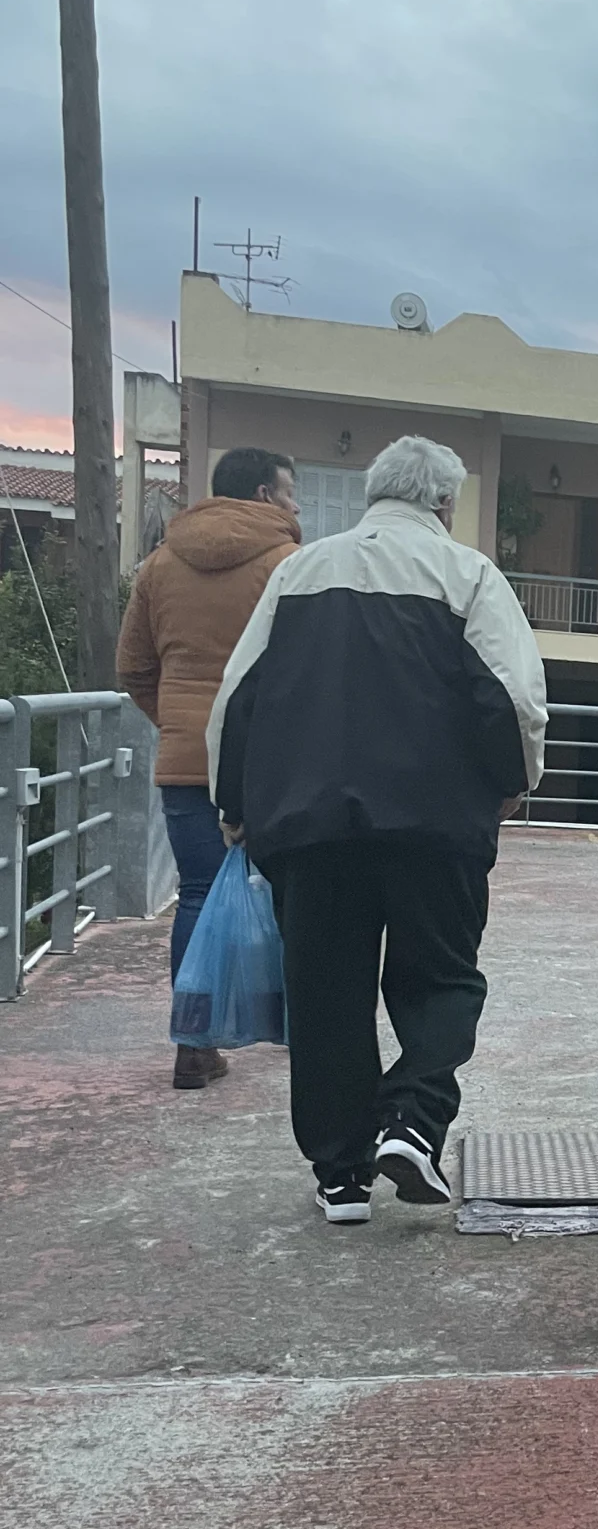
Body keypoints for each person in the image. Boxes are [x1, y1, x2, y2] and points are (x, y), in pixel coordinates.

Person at [207, 436, 546, 1224]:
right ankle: (414, 1121)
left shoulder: (299, 572)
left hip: (311, 824)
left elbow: (238, 696)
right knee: (442, 979)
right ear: (445, 502)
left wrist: (235, 802)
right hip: (435, 821)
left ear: (374, 494)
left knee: (326, 994)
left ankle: (341, 1177)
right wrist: (512, 784)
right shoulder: (468, 575)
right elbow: (513, 698)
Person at [115, 446, 301, 1088]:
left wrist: (179, 724)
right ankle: (296, 1026)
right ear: (263, 495)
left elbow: (133, 667)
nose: (296, 506)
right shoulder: (287, 564)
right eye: (290, 493)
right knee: (290, 892)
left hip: (187, 760)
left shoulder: (159, 564)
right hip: (272, 759)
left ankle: (194, 1046)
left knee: (196, 893)